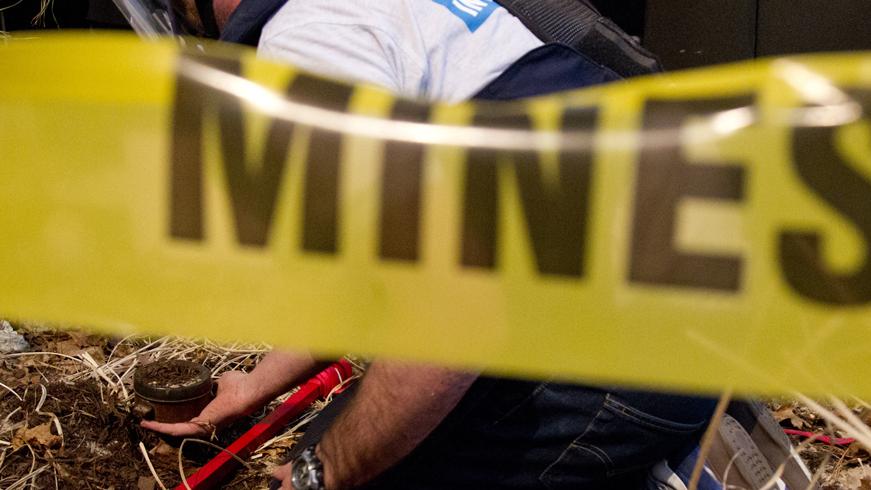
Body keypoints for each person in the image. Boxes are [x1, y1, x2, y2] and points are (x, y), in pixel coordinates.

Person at [139, 1, 716, 488]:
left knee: (350, 457)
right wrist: (255, 386)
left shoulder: (304, 45)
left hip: (633, 366)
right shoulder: (392, 12)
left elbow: (452, 314)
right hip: (688, 312)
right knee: (351, 429)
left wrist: (323, 473)